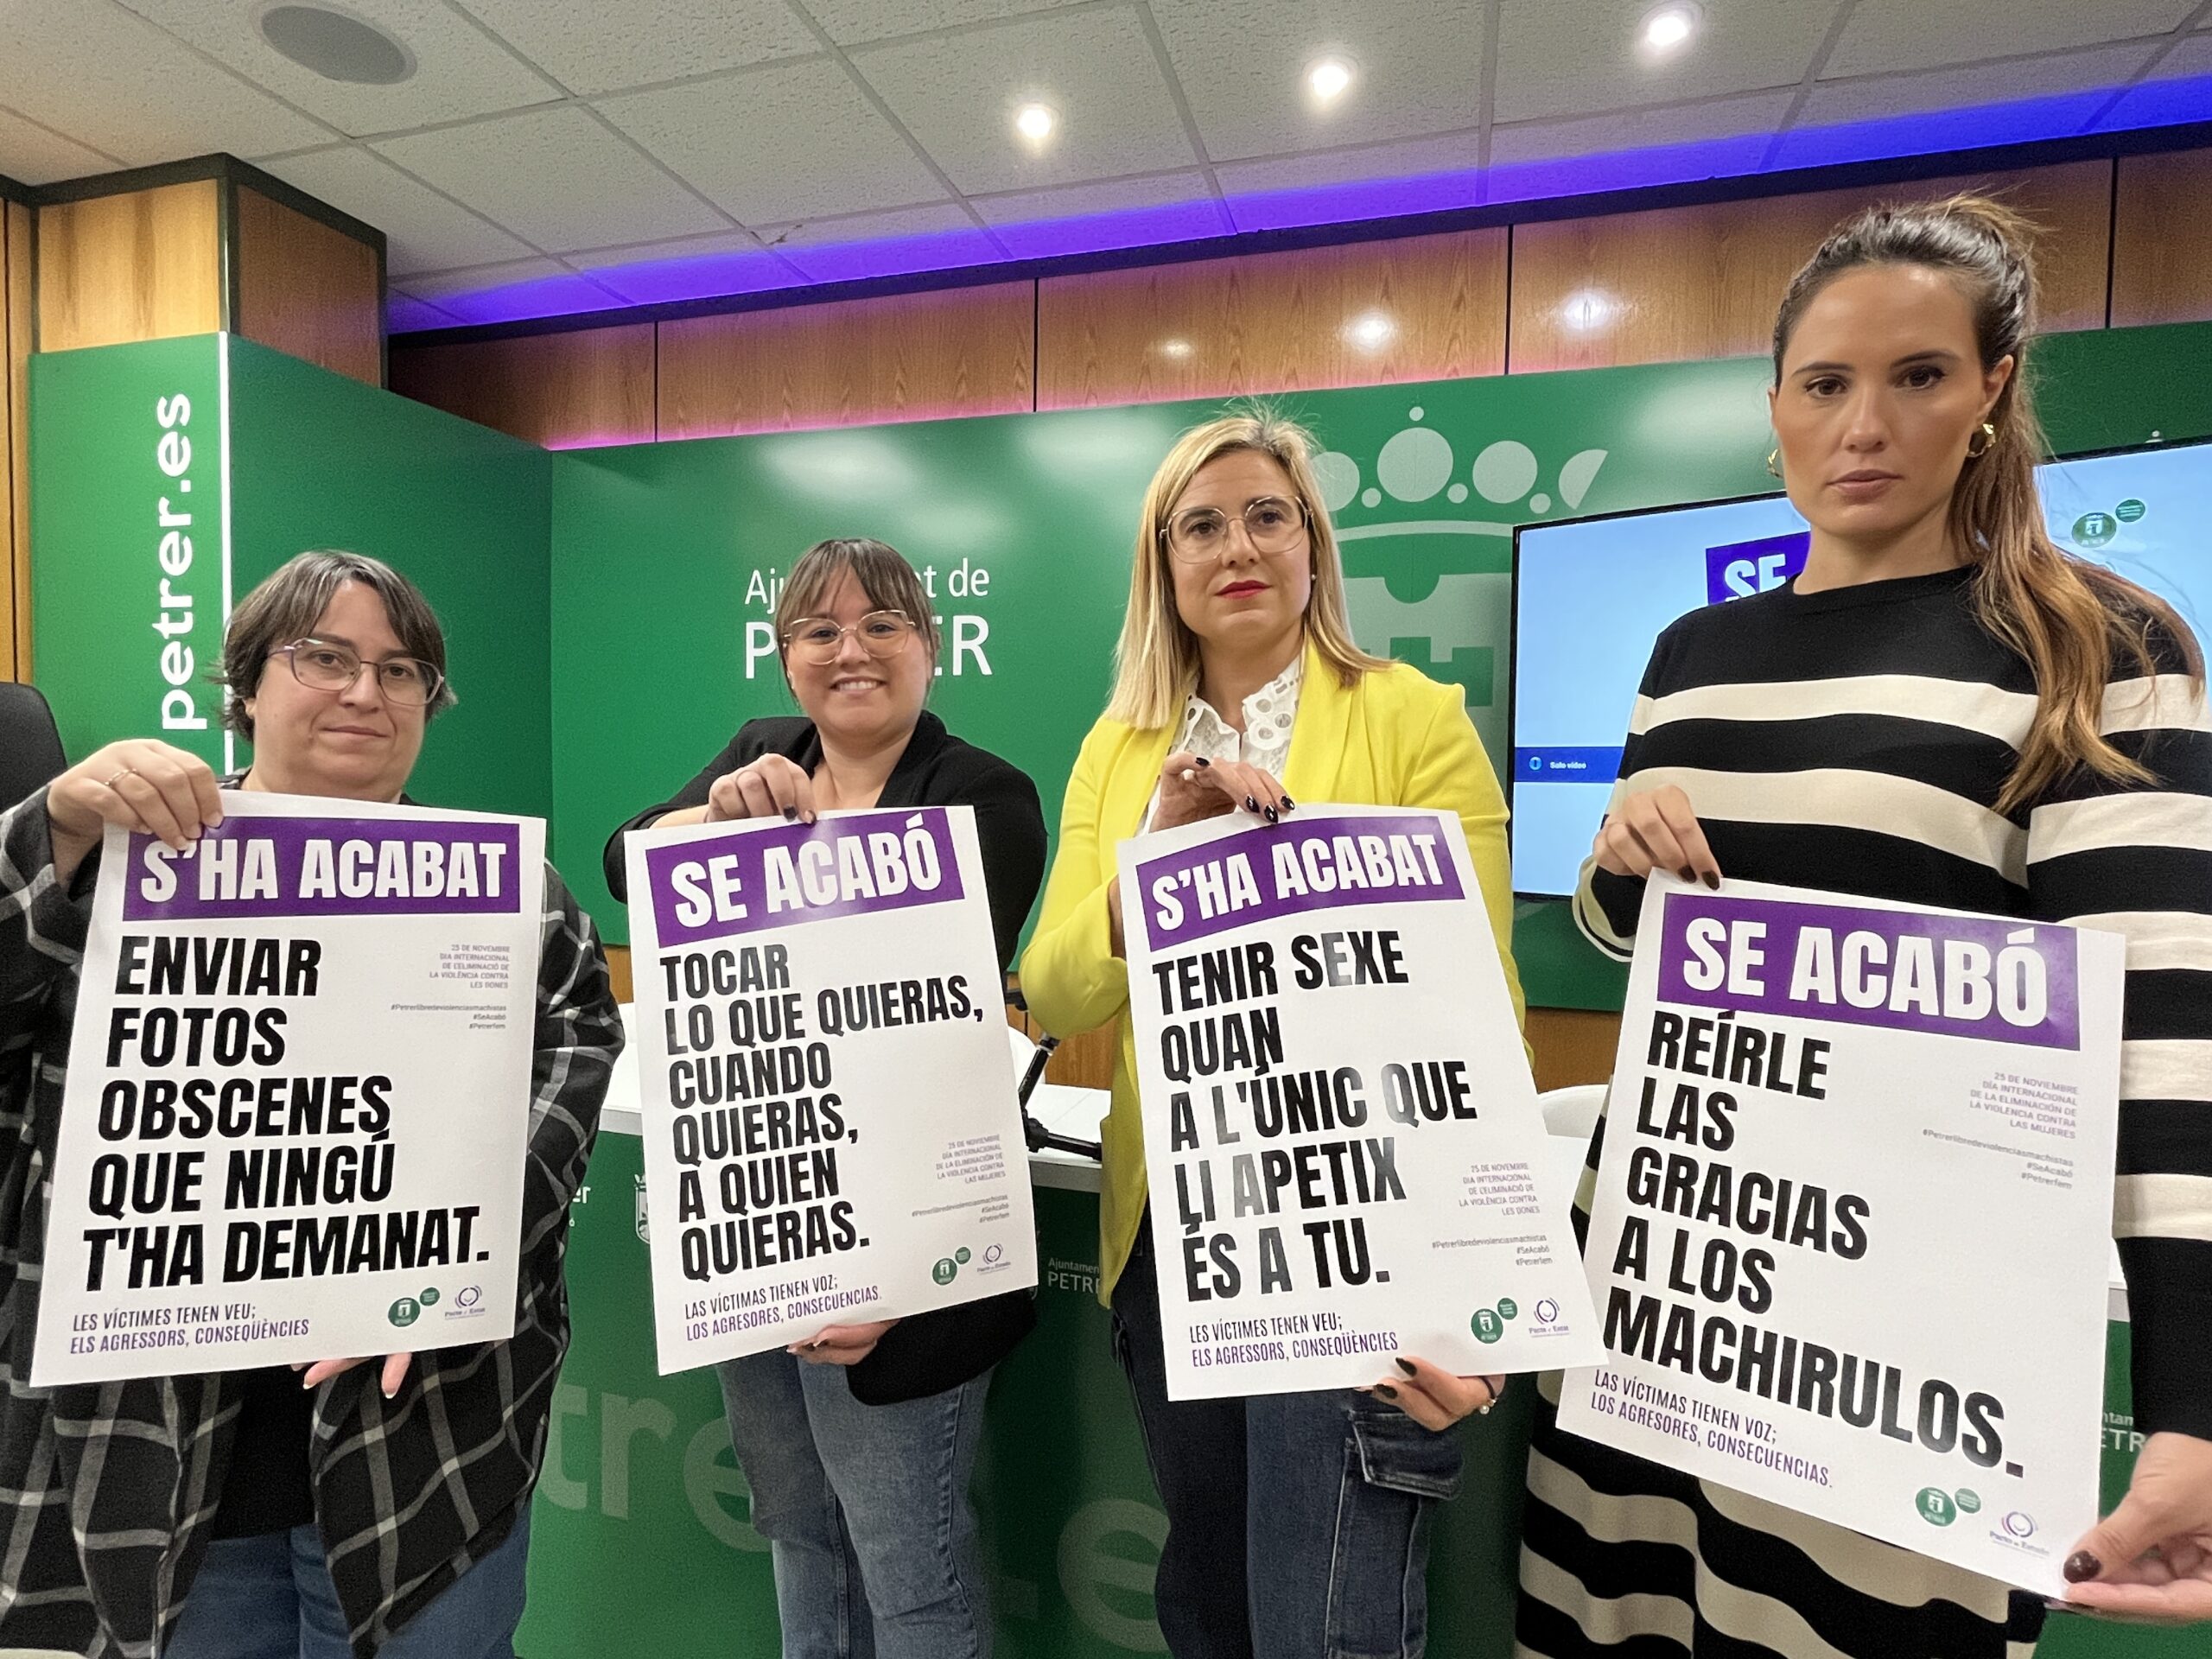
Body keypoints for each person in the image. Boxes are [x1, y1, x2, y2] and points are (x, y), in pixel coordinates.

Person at [1516, 195, 2212, 1656]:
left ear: (1992, 392)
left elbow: (2165, 1042)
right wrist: (1624, 856)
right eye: (1826, 383)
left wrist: (2194, 1413)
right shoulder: (1694, 652)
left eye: (1919, 376)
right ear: (1776, 405)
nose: (1865, 425)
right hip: (1664, 1287)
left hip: (1906, 1348)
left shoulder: (2097, 648)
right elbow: (1639, 930)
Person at [0, 550, 623, 1657]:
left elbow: (574, 1054)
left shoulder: (510, 893)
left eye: (400, 671)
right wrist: (51, 826)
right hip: (168, 1448)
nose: (364, 692)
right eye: (325, 657)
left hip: (426, 1447)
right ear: (246, 684)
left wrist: (447, 1256)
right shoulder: (119, 862)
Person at [1020, 410, 1522, 1659]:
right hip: (1176, 1235)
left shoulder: (1414, 716)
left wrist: (1475, 1281)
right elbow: (1055, 992)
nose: (1237, 546)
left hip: (1361, 1225)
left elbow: (1482, 1003)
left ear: (1312, 545)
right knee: (1211, 1597)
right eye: (1200, 526)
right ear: (1164, 566)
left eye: (1266, 516)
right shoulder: (1117, 748)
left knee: (1329, 1612)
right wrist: (1150, 870)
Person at [603, 537, 1047, 1659]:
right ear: (785, 655)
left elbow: (924, 1021)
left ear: (931, 647)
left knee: (911, 1572)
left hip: (908, 1260)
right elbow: (623, 863)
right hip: (763, 1225)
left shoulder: (983, 793)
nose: (852, 650)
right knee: (800, 1532)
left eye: (882, 625)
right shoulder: (760, 749)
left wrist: (889, 1275)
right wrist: (708, 822)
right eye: (820, 630)